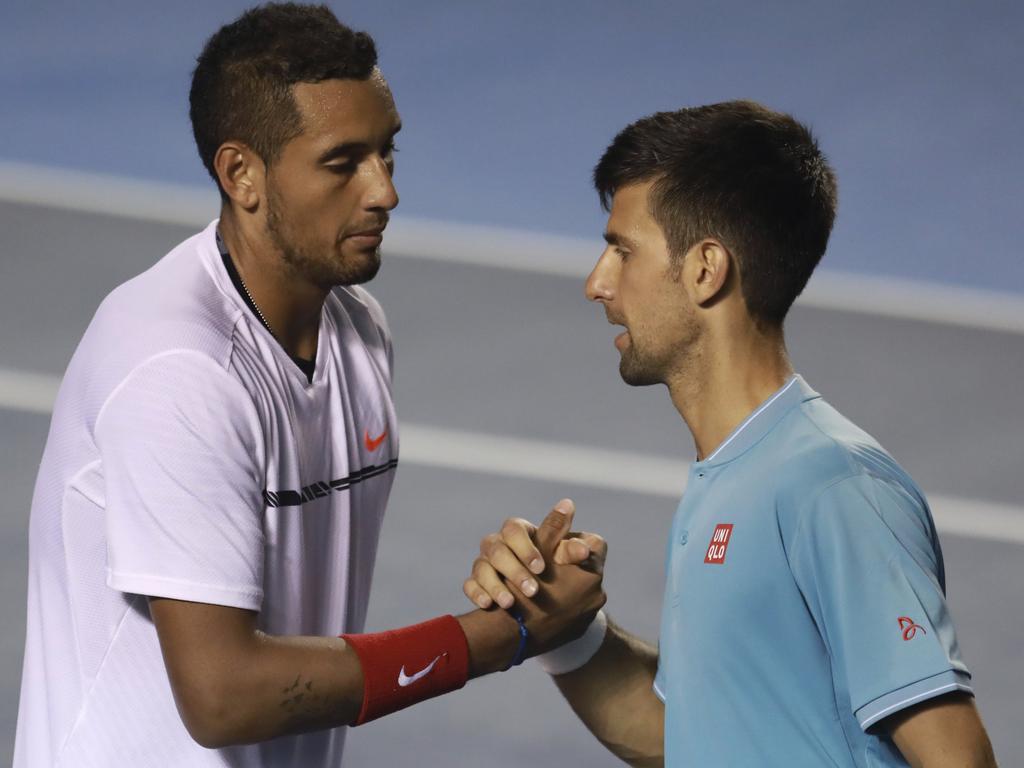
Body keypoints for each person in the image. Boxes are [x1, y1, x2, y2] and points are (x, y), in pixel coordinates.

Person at [12, 5, 604, 766]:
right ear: (241, 175)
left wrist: (520, 590)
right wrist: (501, 636)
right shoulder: (177, 371)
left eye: (388, 154)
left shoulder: (357, 329)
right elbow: (226, 696)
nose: (384, 191)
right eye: (343, 162)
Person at [464, 101, 999, 766]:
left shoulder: (833, 487)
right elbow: (696, 741)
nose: (597, 284)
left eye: (622, 251)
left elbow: (958, 759)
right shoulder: (736, 476)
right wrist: (564, 630)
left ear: (705, 269)